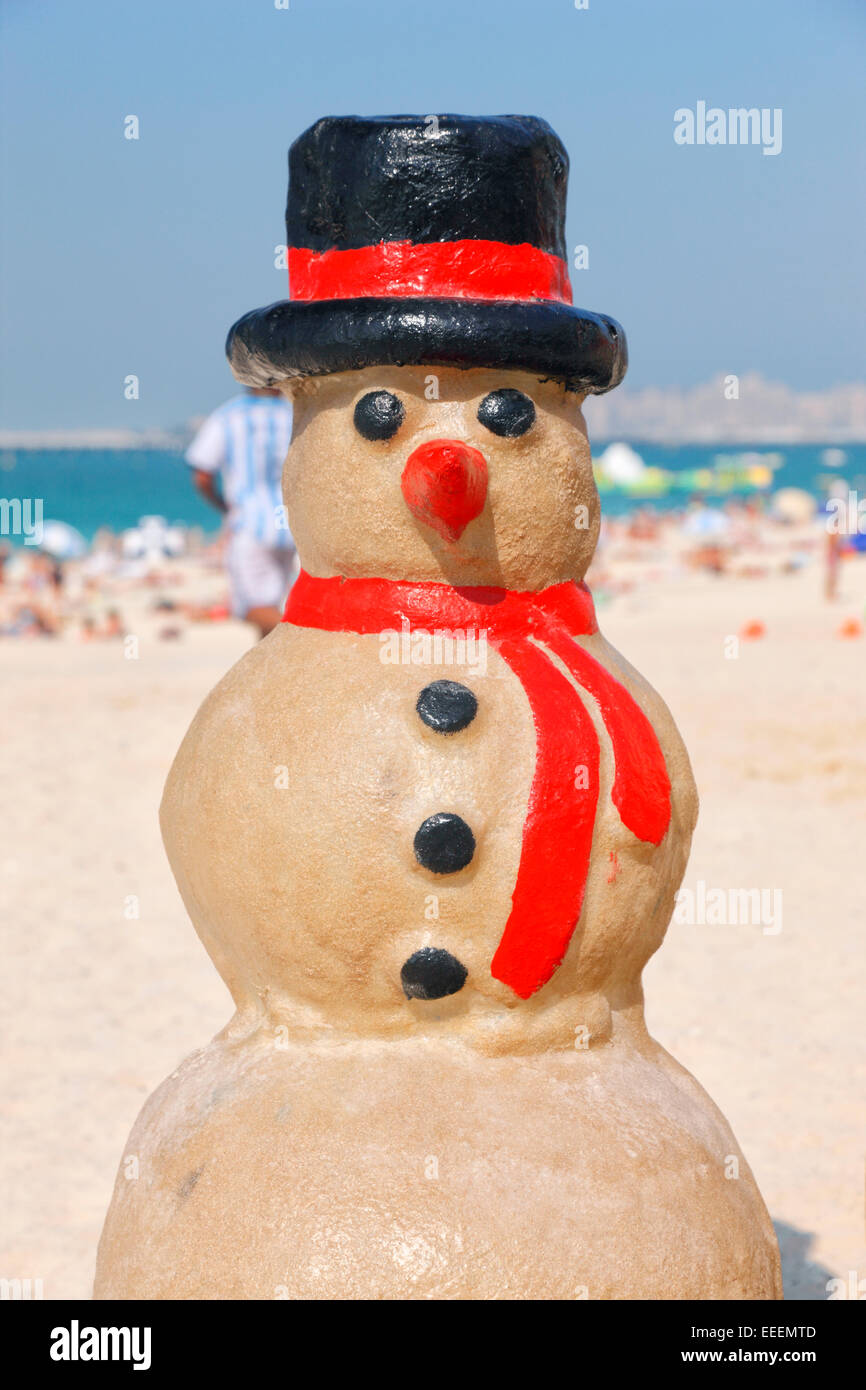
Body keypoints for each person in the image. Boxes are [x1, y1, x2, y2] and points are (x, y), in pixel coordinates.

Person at [185, 386, 296, 636]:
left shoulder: (228, 416)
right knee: (279, 604)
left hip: (250, 524)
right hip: (292, 526)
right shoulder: (295, 413)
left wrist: (224, 507)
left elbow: (202, 474)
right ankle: (271, 673)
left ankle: (306, 644)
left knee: (250, 607)